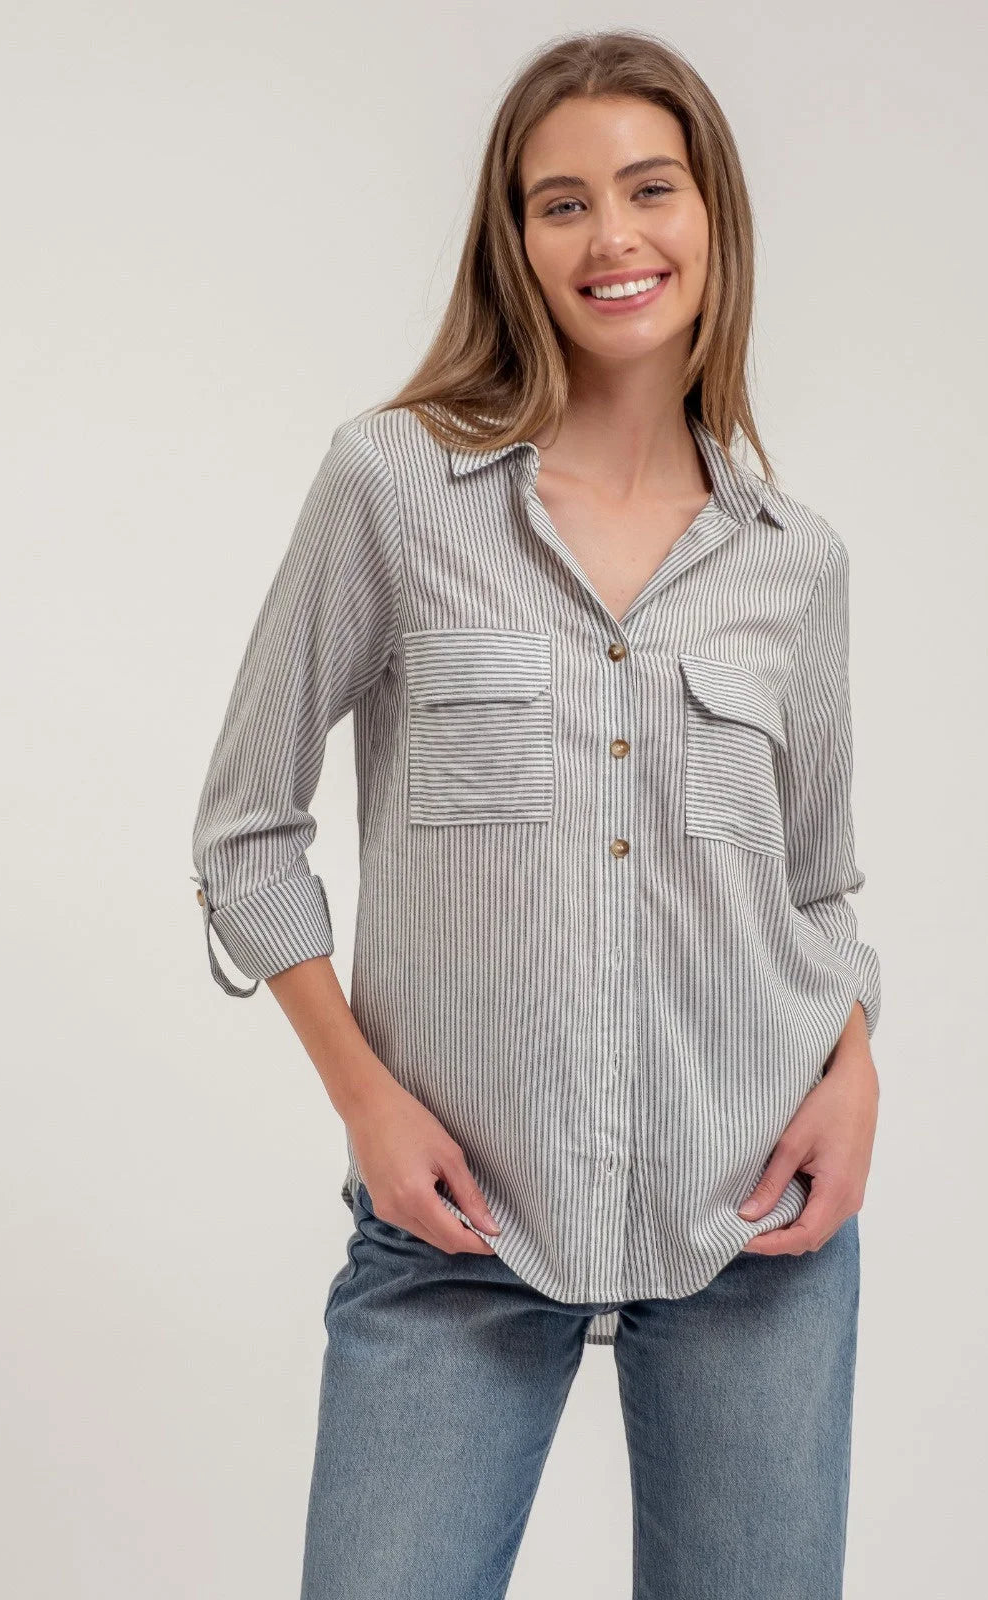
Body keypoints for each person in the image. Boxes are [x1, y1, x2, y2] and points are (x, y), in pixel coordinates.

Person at [189, 29, 882, 1600]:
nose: (611, 238)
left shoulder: (796, 563)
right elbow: (244, 827)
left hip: (755, 1223)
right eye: (557, 203)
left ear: (713, 219)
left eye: (649, 189)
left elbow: (821, 889)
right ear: (510, 240)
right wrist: (367, 1105)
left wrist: (854, 1074)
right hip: (453, 1240)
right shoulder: (390, 485)